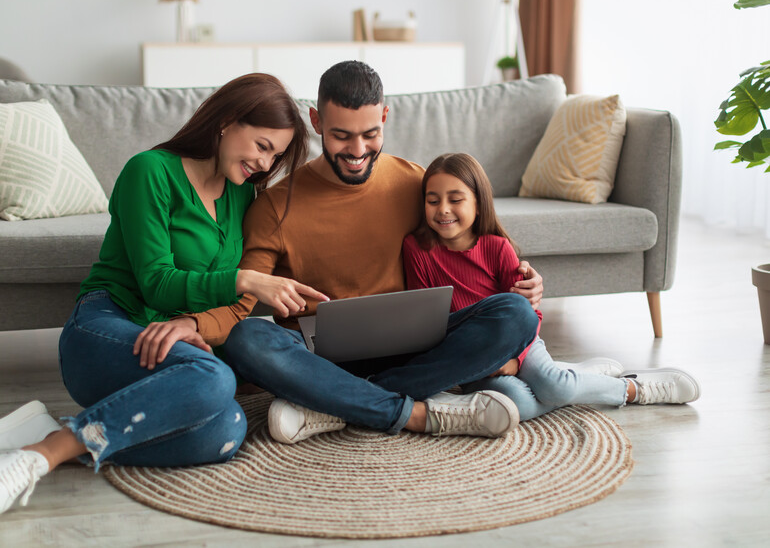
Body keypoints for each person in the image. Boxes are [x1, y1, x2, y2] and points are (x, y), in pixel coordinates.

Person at [0, 73, 329, 515]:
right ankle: (43, 455)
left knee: (226, 431)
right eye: (263, 147)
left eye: (276, 156)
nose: (266, 165)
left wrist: (194, 323)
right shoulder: (150, 171)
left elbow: (238, 308)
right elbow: (157, 281)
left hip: (172, 341)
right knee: (215, 379)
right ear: (228, 121)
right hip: (108, 326)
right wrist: (242, 279)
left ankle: (56, 431)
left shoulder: (243, 197)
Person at [179, 60, 545, 446]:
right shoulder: (275, 206)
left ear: (385, 116)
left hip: (412, 348)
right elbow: (243, 302)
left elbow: (470, 246)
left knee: (514, 314)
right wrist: (195, 324)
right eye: (340, 136)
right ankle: (412, 413)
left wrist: (523, 283)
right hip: (320, 357)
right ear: (316, 122)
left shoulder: (414, 182)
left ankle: (332, 404)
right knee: (248, 338)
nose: (357, 151)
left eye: (370, 134)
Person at [402, 152, 701, 422]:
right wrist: (485, 361)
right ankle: (577, 377)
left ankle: (633, 388)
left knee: (553, 386)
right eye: (432, 200)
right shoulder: (416, 249)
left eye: (455, 200)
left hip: (519, 346)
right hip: (474, 359)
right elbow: (429, 322)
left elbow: (527, 315)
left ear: (479, 205)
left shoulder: (497, 248)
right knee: (516, 402)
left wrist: (514, 359)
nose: (443, 209)